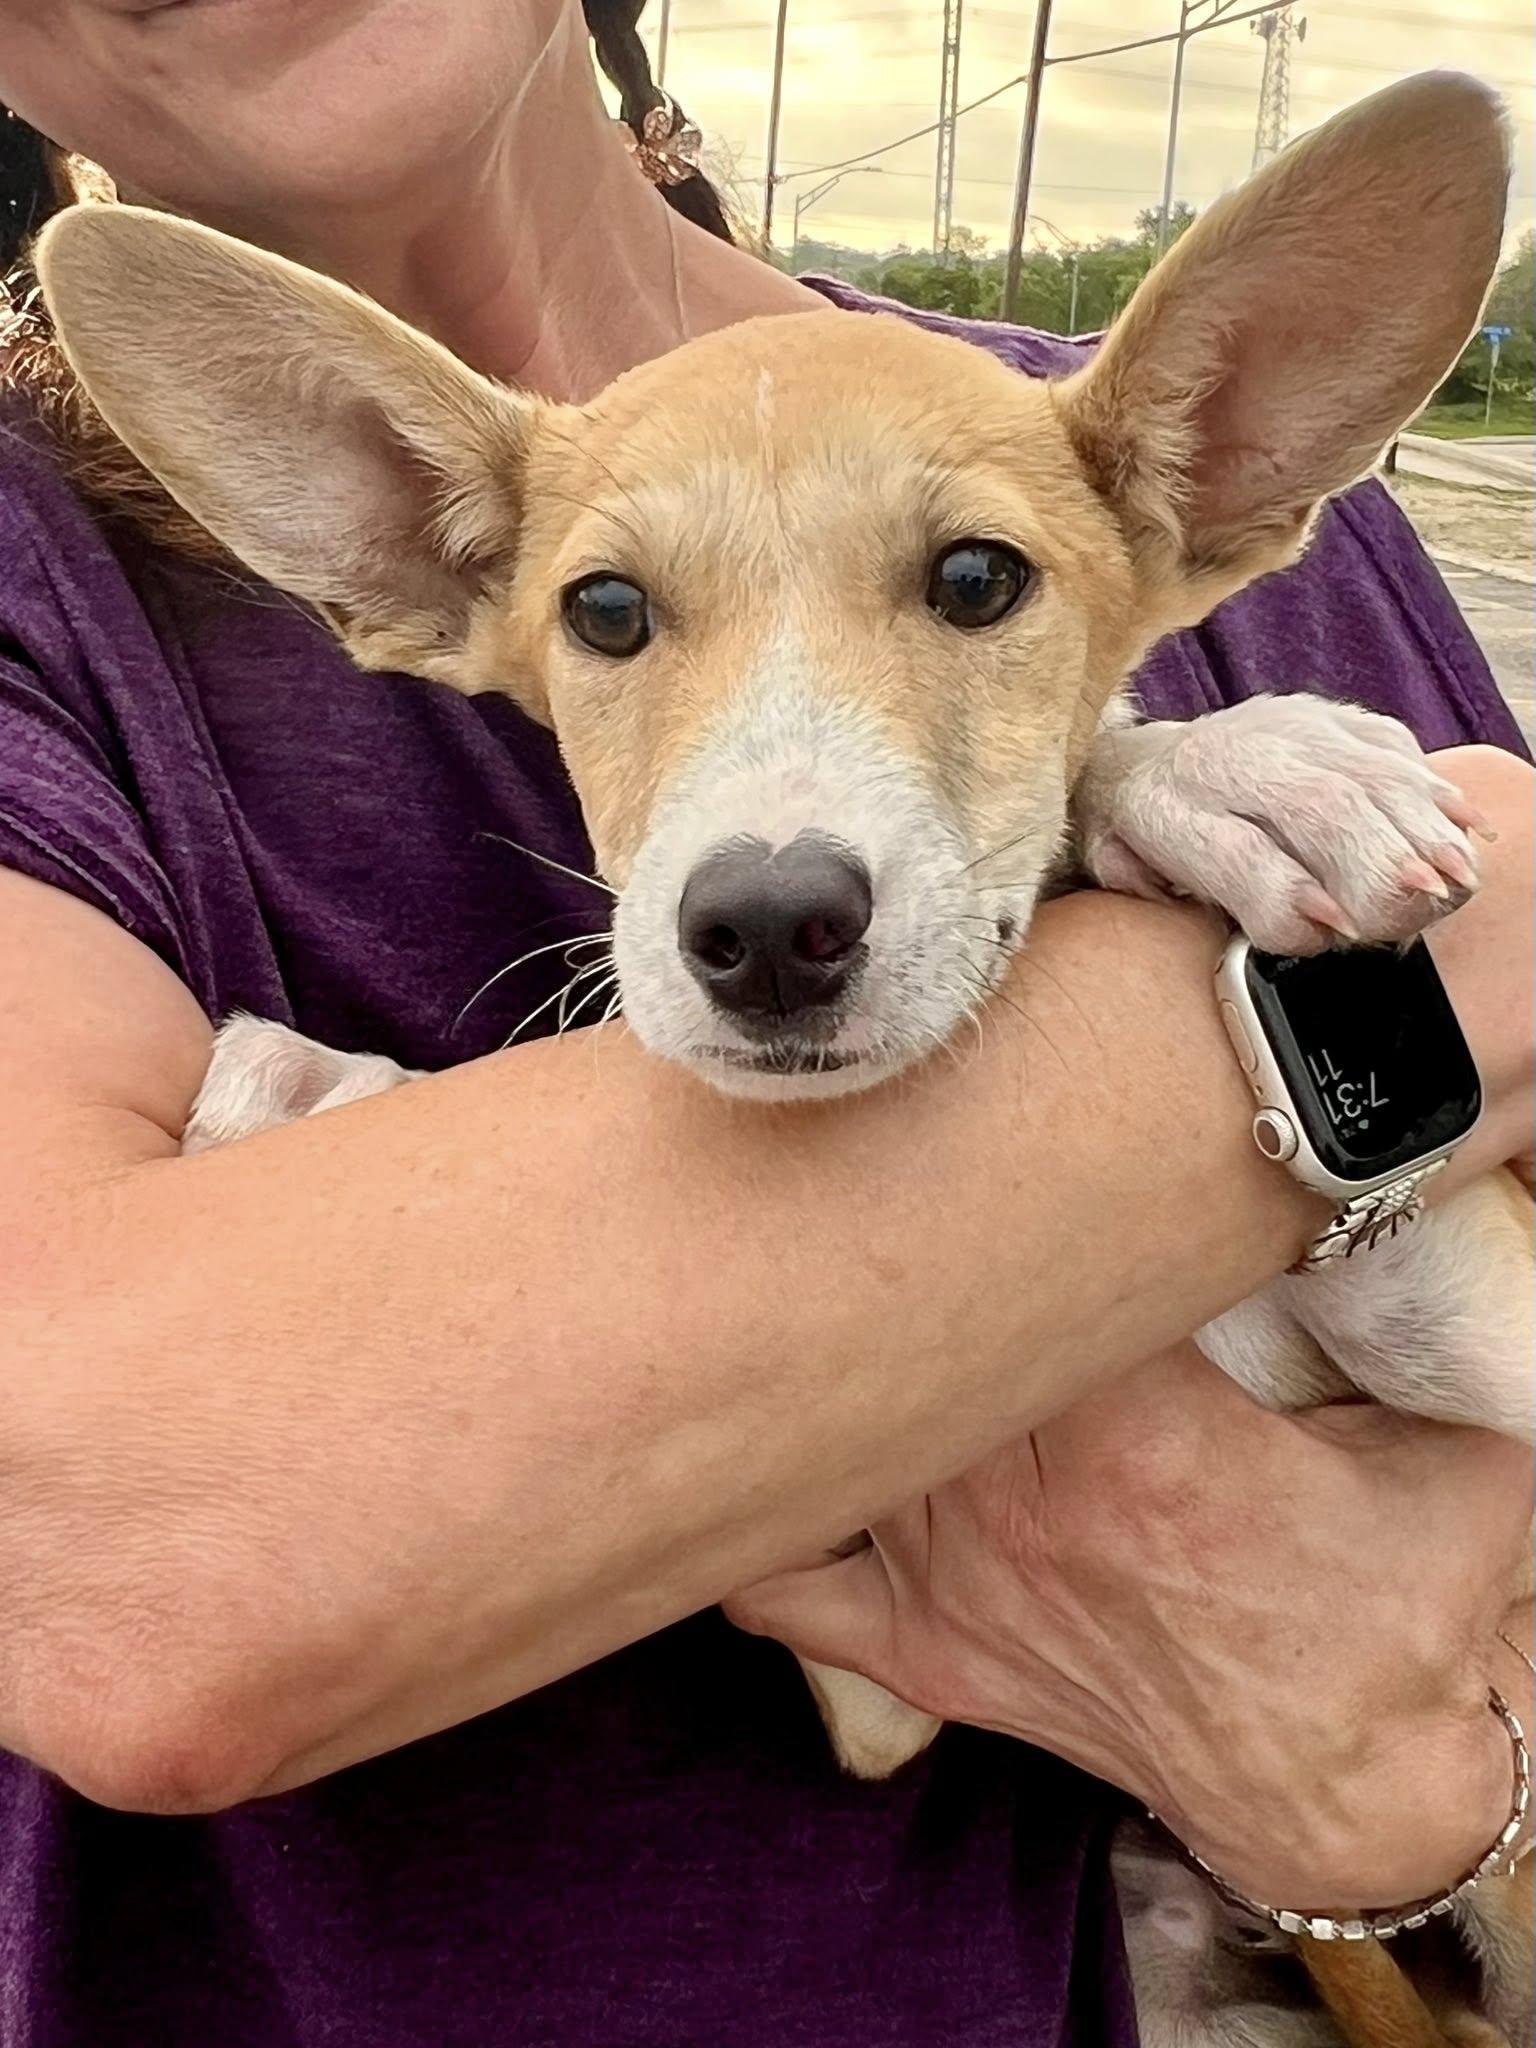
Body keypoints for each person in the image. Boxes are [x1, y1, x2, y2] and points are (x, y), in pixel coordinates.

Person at [0, 5, 1529, 2044]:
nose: (778, 865)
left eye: (971, 581)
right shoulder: (63, 596)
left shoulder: (1162, 524)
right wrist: (1405, 985)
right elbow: (129, 1554)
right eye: (619, 618)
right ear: (401, 553)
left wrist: (1421, 1810)